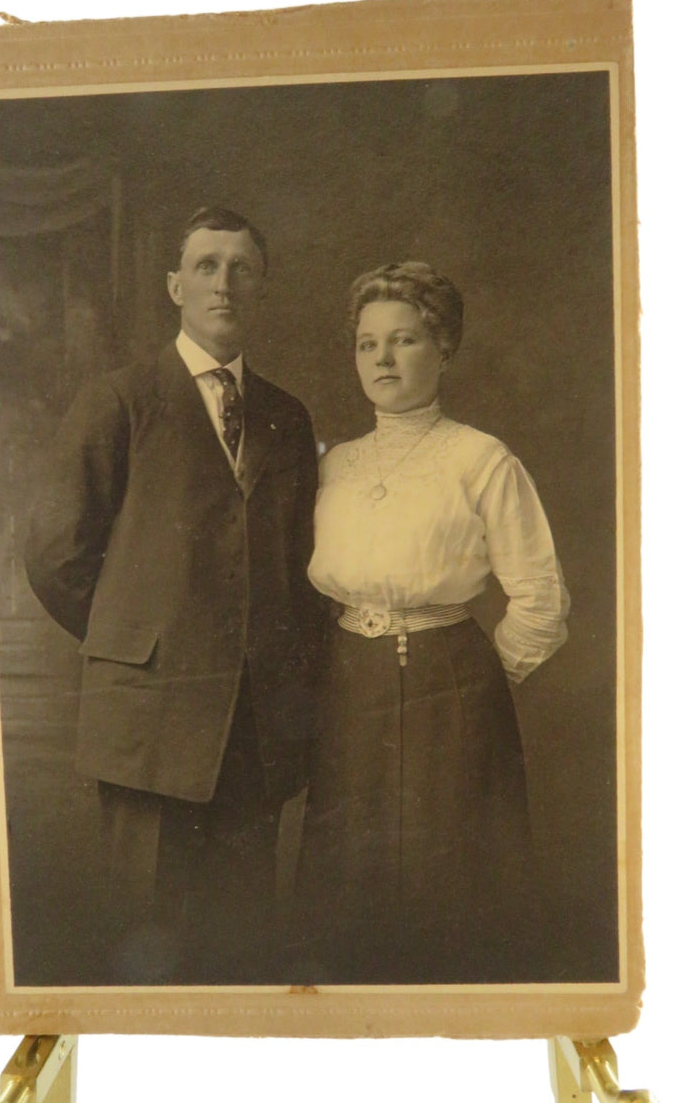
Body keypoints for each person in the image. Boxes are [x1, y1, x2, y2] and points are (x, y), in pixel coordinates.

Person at [24, 206, 321, 984]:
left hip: (254, 731)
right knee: (143, 952)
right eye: (207, 265)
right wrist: (144, 644)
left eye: (242, 268)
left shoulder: (287, 418)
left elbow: (298, 567)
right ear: (175, 286)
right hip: (149, 724)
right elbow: (57, 555)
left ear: (261, 287)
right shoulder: (119, 401)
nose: (224, 282)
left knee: (242, 947)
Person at [293, 261, 570, 984]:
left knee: (453, 885)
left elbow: (541, 599)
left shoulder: (481, 458)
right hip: (348, 684)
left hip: (452, 688)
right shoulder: (333, 465)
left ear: (443, 348)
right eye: (367, 343)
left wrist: (472, 679)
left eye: (405, 339)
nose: (383, 359)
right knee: (348, 883)